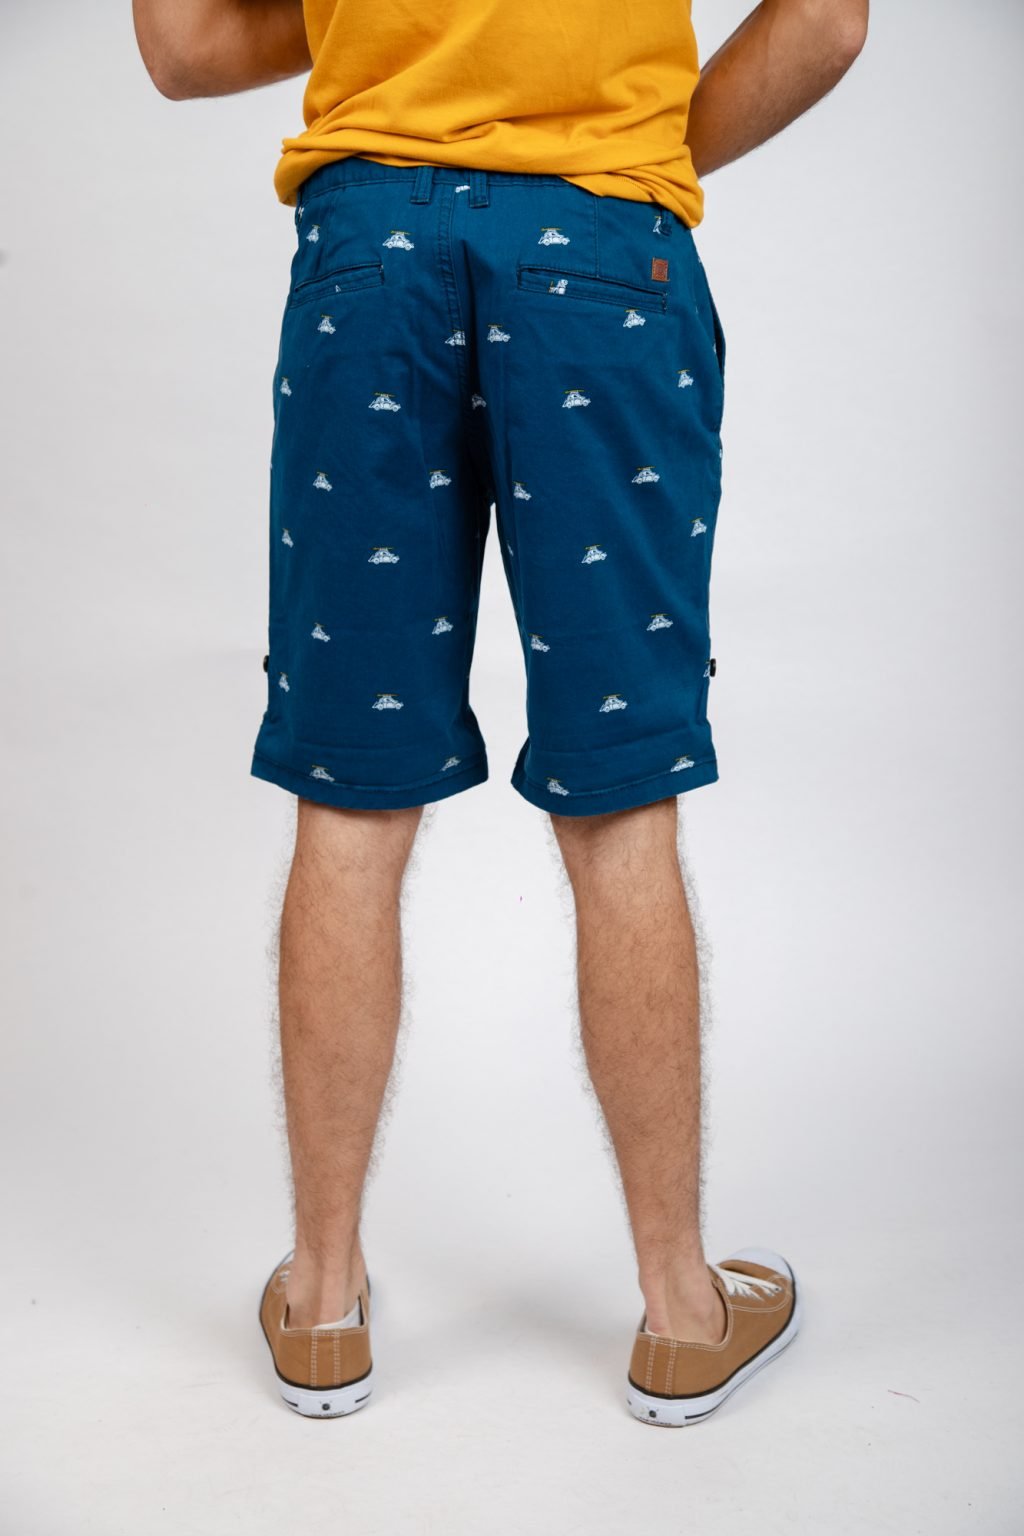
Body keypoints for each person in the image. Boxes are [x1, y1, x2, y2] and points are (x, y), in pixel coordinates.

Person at [134, 0, 867, 1425]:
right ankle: (681, 1312)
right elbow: (828, 24)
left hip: (371, 260)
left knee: (352, 800)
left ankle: (324, 1301)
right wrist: (633, 145)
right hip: (599, 249)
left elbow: (183, 47)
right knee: (622, 798)